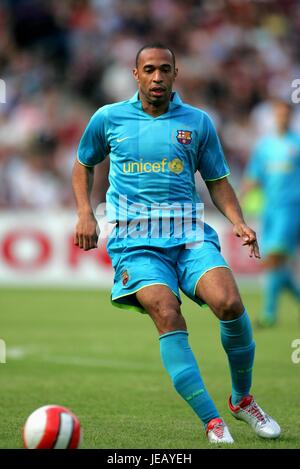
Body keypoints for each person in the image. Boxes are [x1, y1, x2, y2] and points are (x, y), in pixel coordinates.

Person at [72, 43, 280, 444]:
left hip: (189, 235)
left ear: (175, 74)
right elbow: (83, 163)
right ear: (136, 75)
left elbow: (217, 180)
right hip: (136, 244)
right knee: (167, 312)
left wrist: (238, 221)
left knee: (230, 303)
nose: (156, 78)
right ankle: (211, 420)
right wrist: (84, 212)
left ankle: (242, 399)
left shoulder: (198, 122)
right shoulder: (108, 118)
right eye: (148, 70)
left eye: (164, 70)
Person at [242, 99, 300, 327]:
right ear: (275, 116)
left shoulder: (296, 144)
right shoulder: (265, 146)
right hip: (270, 210)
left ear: (291, 116)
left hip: (292, 208)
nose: (282, 118)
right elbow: (253, 175)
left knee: (275, 258)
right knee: (273, 264)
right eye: (279, 114)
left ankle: (269, 315)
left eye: (286, 114)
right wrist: (240, 198)